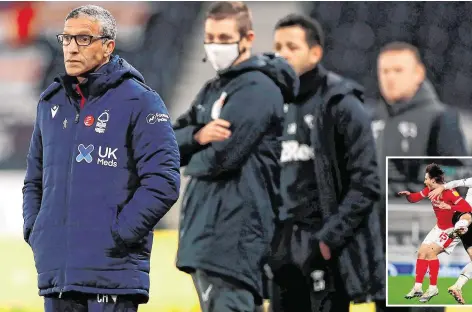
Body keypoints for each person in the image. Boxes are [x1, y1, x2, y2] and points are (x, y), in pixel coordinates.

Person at [22, 5, 180, 312]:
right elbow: (34, 181)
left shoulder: (141, 100)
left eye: (83, 39)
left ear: (108, 46)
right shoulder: (50, 102)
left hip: (112, 276)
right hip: (57, 276)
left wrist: (118, 235)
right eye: (66, 39)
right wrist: (36, 230)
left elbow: (164, 181)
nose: (70, 48)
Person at [173, 2, 298, 312]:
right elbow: (166, 143)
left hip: (233, 238)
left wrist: (191, 161)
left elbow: (222, 159)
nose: (215, 46)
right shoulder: (213, 88)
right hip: (211, 235)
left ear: (247, 38)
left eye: (224, 38)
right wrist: (198, 136)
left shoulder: (257, 89)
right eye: (210, 37)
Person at [268, 14, 384, 312]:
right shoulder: (270, 104)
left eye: (291, 47)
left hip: (325, 252)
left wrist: (327, 240)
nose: (281, 54)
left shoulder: (342, 103)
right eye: (277, 46)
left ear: (315, 52)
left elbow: (367, 182)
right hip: (281, 252)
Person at [371, 42, 468, 251]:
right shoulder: (370, 118)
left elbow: (459, 179)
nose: (390, 77)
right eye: (384, 71)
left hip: (417, 238)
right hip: (374, 238)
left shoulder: (440, 118)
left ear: (418, 73)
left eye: (398, 70)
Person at [398, 163, 471, 303]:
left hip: (451, 229)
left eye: (426, 178)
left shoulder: (450, 192)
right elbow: (415, 198)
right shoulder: (429, 190)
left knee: (430, 253)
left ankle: (433, 288)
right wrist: (408, 196)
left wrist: (449, 206)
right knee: (421, 252)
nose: (424, 181)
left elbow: (466, 207)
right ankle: (417, 287)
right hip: (438, 227)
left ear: (432, 180)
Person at [429, 177, 472, 304]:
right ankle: (460, 227)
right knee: (468, 216)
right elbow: (457, 183)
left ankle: (457, 286)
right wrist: (443, 187)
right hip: (463, 214)